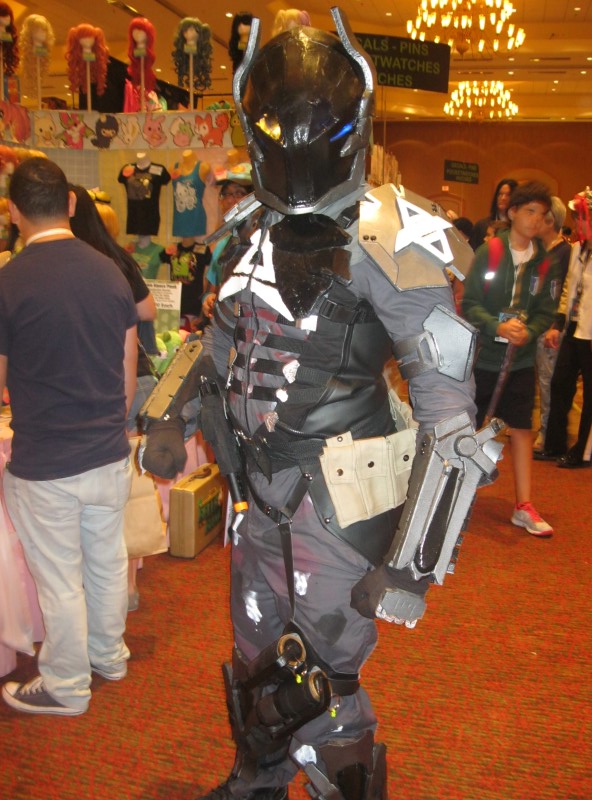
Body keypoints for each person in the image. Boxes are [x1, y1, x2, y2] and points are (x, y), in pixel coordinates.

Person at [142, 13, 502, 800]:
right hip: (255, 494)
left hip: (341, 501)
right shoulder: (249, 229)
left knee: (323, 682)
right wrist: (173, 411)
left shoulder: (394, 234)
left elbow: (450, 415)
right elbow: (219, 338)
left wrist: (412, 564)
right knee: (256, 652)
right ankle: (257, 779)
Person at [0, 157, 137, 715]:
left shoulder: (8, 282)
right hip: (107, 451)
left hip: (46, 460)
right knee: (105, 564)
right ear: (72, 203)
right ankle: (109, 655)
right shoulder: (110, 270)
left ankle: (66, 685)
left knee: (60, 579)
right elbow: (127, 372)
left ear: (13, 212)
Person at [69, 185, 159, 612]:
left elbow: (148, 310)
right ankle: (125, 585)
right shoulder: (112, 259)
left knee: (108, 498)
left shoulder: (88, 264)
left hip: (113, 384)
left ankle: (115, 589)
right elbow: (147, 309)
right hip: (128, 379)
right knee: (121, 492)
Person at [462, 181, 559, 538]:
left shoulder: (544, 262)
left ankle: (524, 504)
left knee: (521, 429)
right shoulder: (489, 252)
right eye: (529, 211)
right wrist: (497, 326)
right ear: (513, 211)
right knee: (469, 427)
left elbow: (545, 310)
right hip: (483, 358)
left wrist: (529, 331)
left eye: (542, 215)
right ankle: (457, 494)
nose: (535, 220)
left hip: (520, 361)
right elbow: (470, 303)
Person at [535, 188, 592, 468]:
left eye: (582, 218)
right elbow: (569, 288)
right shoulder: (578, 249)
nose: (577, 223)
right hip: (574, 329)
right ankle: (554, 443)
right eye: (576, 218)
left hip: (590, 332)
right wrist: (558, 324)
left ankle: (583, 451)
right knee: (559, 385)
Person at [533, 196, 572, 452]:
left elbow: (565, 293)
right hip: (535, 323)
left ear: (550, 220)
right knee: (538, 380)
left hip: (551, 327)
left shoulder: (565, 252)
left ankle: (548, 432)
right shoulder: (538, 250)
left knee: (548, 381)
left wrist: (556, 325)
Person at [202, 165, 254, 320]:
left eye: (239, 193)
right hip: (226, 324)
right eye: (226, 194)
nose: (231, 200)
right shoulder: (222, 246)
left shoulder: (264, 242)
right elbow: (211, 290)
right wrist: (208, 299)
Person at [470, 177, 518, 250]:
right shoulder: (481, 226)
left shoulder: (518, 228)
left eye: (508, 195)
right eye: (500, 194)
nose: (503, 198)